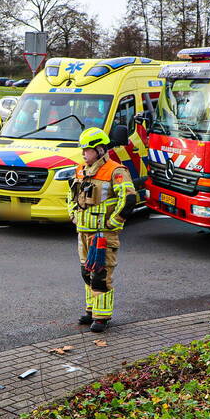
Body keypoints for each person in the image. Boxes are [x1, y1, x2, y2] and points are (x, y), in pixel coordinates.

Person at [67, 128, 137, 333]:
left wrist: (113, 223)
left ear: (99, 150)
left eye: (87, 150)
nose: (83, 154)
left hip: (102, 235)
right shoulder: (80, 170)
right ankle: (91, 311)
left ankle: (102, 317)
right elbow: (70, 196)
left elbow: (129, 199)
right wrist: (72, 214)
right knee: (86, 273)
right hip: (83, 232)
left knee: (100, 275)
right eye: (83, 150)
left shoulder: (116, 171)